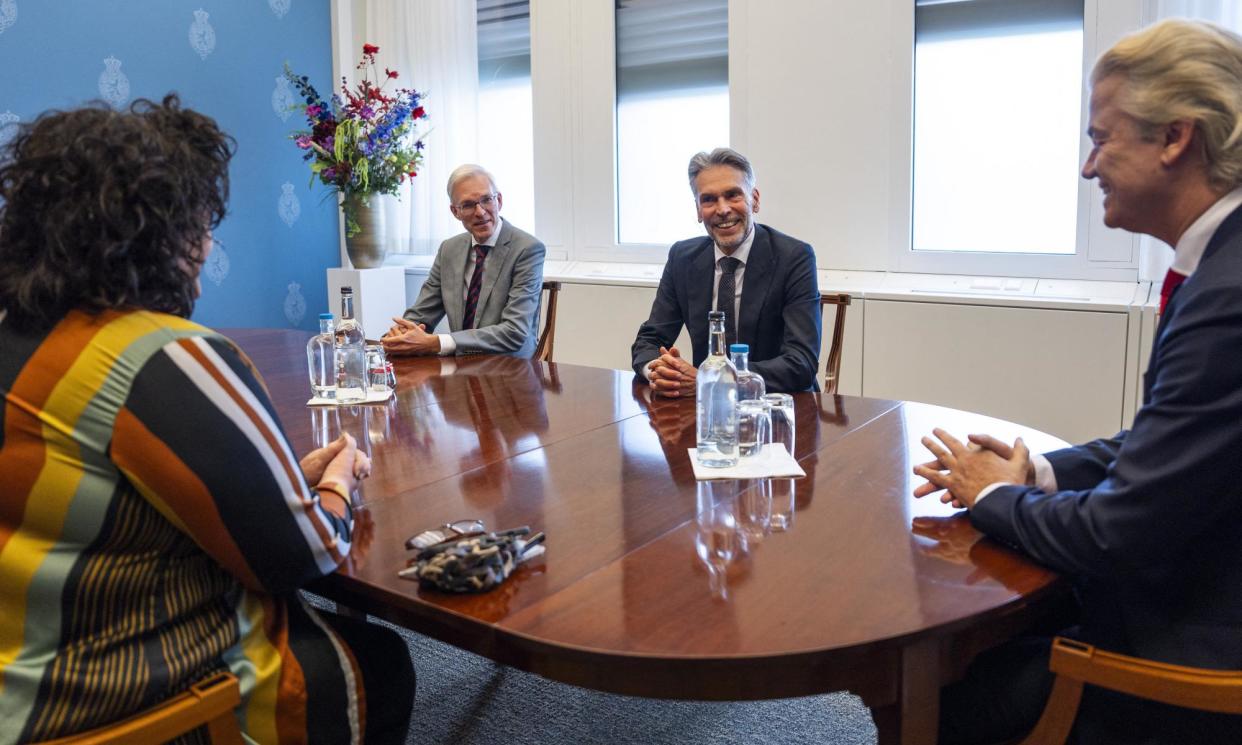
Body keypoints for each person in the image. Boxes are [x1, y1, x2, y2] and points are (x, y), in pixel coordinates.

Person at [0, 97, 414, 743]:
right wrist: (336, 482)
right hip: (82, 693)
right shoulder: (163, 353)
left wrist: (275, 486)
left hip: (18, 636)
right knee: (378, 657)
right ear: (160, 233)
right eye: (200, 223)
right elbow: (300, 554)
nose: (207, 243)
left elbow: (93, 484)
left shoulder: (20, 333)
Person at [913, 19, 1242, 745]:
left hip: (1189, 670)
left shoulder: (1227, 295)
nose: (1088, 167)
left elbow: (1115, 535)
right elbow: (1169, 442)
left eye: (1101, 138)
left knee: (936, 691)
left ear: (1174, 138)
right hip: (1196, 590)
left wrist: (994, 493)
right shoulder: (1221, 262)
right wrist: (1042, 469)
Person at [630, 147, 821, 395]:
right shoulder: (682, 258)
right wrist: (659, 371)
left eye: (733, 195)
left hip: (779, 407)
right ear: (698, 210)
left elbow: (801, 362)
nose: (722, 209)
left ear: (755, 199)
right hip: (707, 411)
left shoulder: (793, 257)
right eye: (708, 199)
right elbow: (649, 340)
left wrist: (714, 380)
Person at [382, 164, 546, 358]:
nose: (480, 212)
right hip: (460, 366)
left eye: (486, 200)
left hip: (510, 370)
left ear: (499, 201)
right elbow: (421, 315)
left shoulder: (527, 249)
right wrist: (400, 335)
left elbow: (514, 331)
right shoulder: (449, 250)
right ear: (455, 211)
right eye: (468, 205)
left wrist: (436, 342)